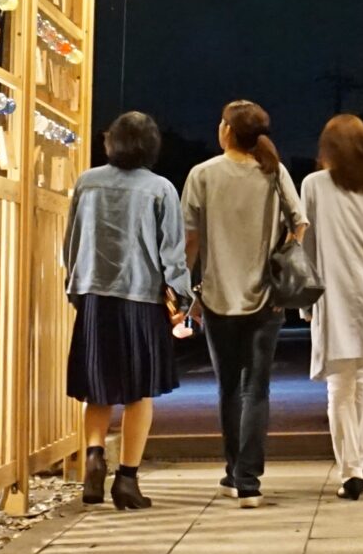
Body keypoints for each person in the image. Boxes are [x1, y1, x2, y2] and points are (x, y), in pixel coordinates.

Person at [60, 110, 192, 511]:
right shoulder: (161, 189)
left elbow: (72, 241)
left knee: (96, 386)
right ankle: (128, 480)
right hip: (141, 298)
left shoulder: (87, 182)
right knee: (139, 392)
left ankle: (96, 455)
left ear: (111, 141)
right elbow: (173, 252)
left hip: (95, 296)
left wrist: (74, 287)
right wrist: (182, 299)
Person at [182, 99, 306, 507]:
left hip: (218, 297)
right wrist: (280, 268)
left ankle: (233, 473)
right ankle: (248, 480)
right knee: (257, 389)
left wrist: (188, 291)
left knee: (228, 390)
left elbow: (191, 241)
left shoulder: (202, 175)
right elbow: (299, 222)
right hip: (268, 299)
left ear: (227, 131)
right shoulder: (274, 172)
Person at [301, 114, 363, 500]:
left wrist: (305, 302)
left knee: (338, 387)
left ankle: (350, 471)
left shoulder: (313, 185)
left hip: (333, 292)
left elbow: (304, 245)